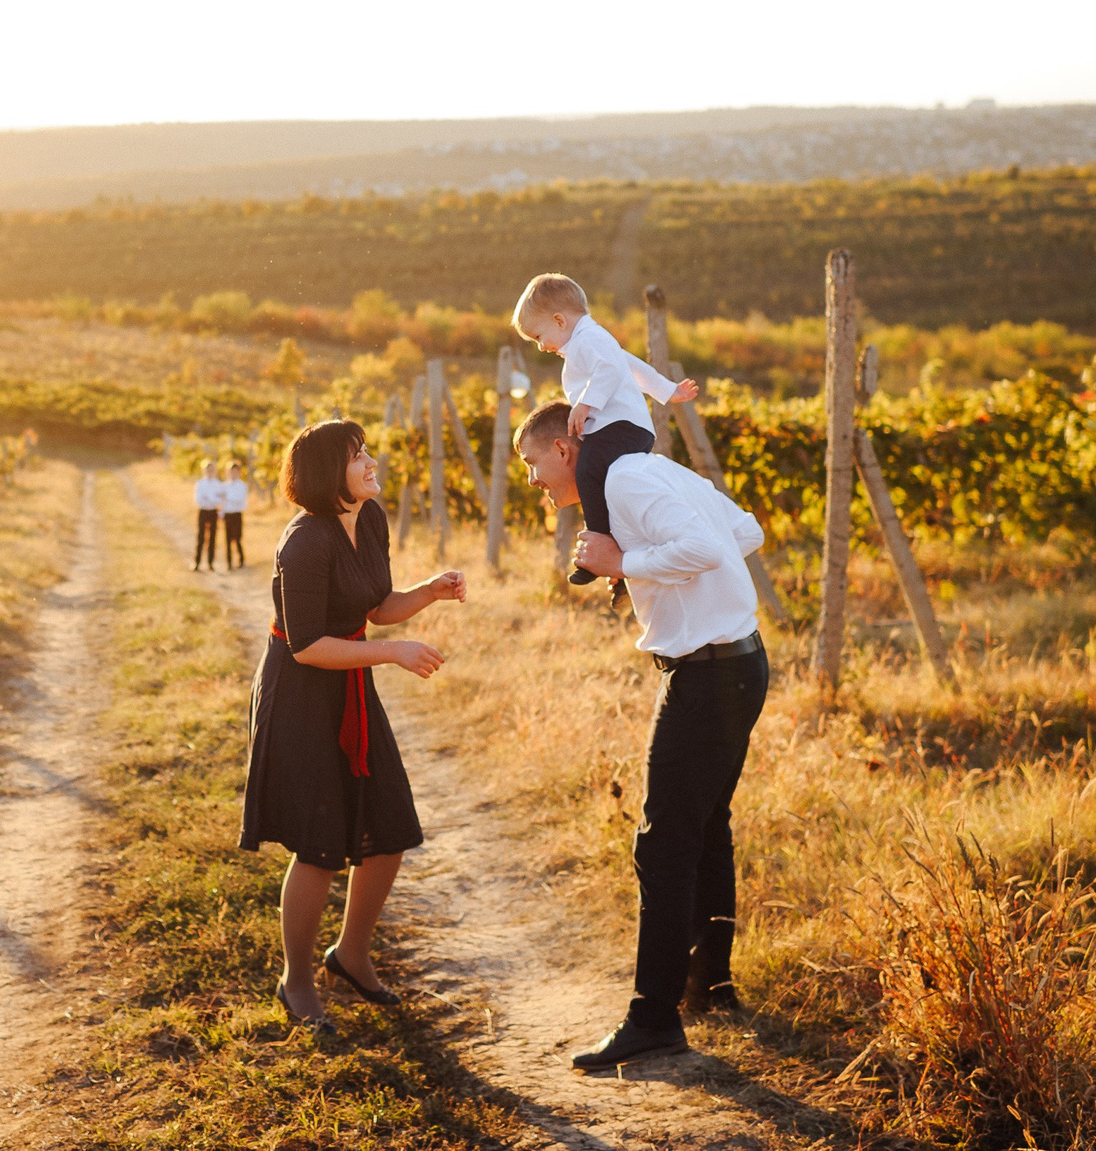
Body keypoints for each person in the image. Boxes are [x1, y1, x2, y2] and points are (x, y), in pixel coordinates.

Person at [511, 399, 769, 1071]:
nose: (533, 480)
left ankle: (653, 1019)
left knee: (663, 846)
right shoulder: (654, 470)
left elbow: (713, 547)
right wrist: (662, 569)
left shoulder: (625, 478)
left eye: (533, 463)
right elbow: (747, 533)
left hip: (709, 677)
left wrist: (624, 562)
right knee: (706, 827)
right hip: (733, 664)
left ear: (564, 450)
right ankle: (711, 991)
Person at [241, 420, 465, 1029]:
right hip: (301, 694)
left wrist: (430, 592)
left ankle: (352, 954)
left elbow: (373, 606)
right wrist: (392, 653)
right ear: (324, 474)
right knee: (319, 847)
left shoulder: (369, 519)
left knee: (388, 827)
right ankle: (297, 981)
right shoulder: (303, 544)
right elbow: (308, 645)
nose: (370, 462)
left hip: (350, 687)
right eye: (356, 455)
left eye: (366, 451)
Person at [510, 274, 698, 588]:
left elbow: (611, 368)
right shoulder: (587, 343)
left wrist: (585, 404)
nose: (541, 347)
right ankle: (620, 556)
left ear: (559, 320)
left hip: (620, 428)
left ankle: (596, 547)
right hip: (622, 427)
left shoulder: (589, 339)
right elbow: (632, 366)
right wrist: (666, 390)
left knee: (587, 474)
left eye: (539, 337)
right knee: (608, 489)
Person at [220, 457, 251, 568]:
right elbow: (222, 502)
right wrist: (221, 513)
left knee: (237, 538)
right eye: (231, 471)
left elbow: (240, 501)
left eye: (235, 471)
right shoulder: (224, 486)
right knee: (227, 540)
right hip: (227, 515)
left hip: (237, 515)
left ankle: (241, 561)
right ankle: (229, 563)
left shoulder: (242, 486)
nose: (233, 473)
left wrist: (228, 497)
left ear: (239, 472)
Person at [192, 458, 223, 571]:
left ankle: (211, 563)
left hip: (213, 512)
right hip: (203, 511)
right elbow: (198, 500)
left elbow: (220, 500)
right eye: (207, 469)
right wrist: (212, 499)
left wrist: (209, 499)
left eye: (211, 469)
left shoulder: (218, 484)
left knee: (212, 538)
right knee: (200, 537)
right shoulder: (200, 483)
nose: (210, 471)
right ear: (204, 470)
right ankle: (197, 562)